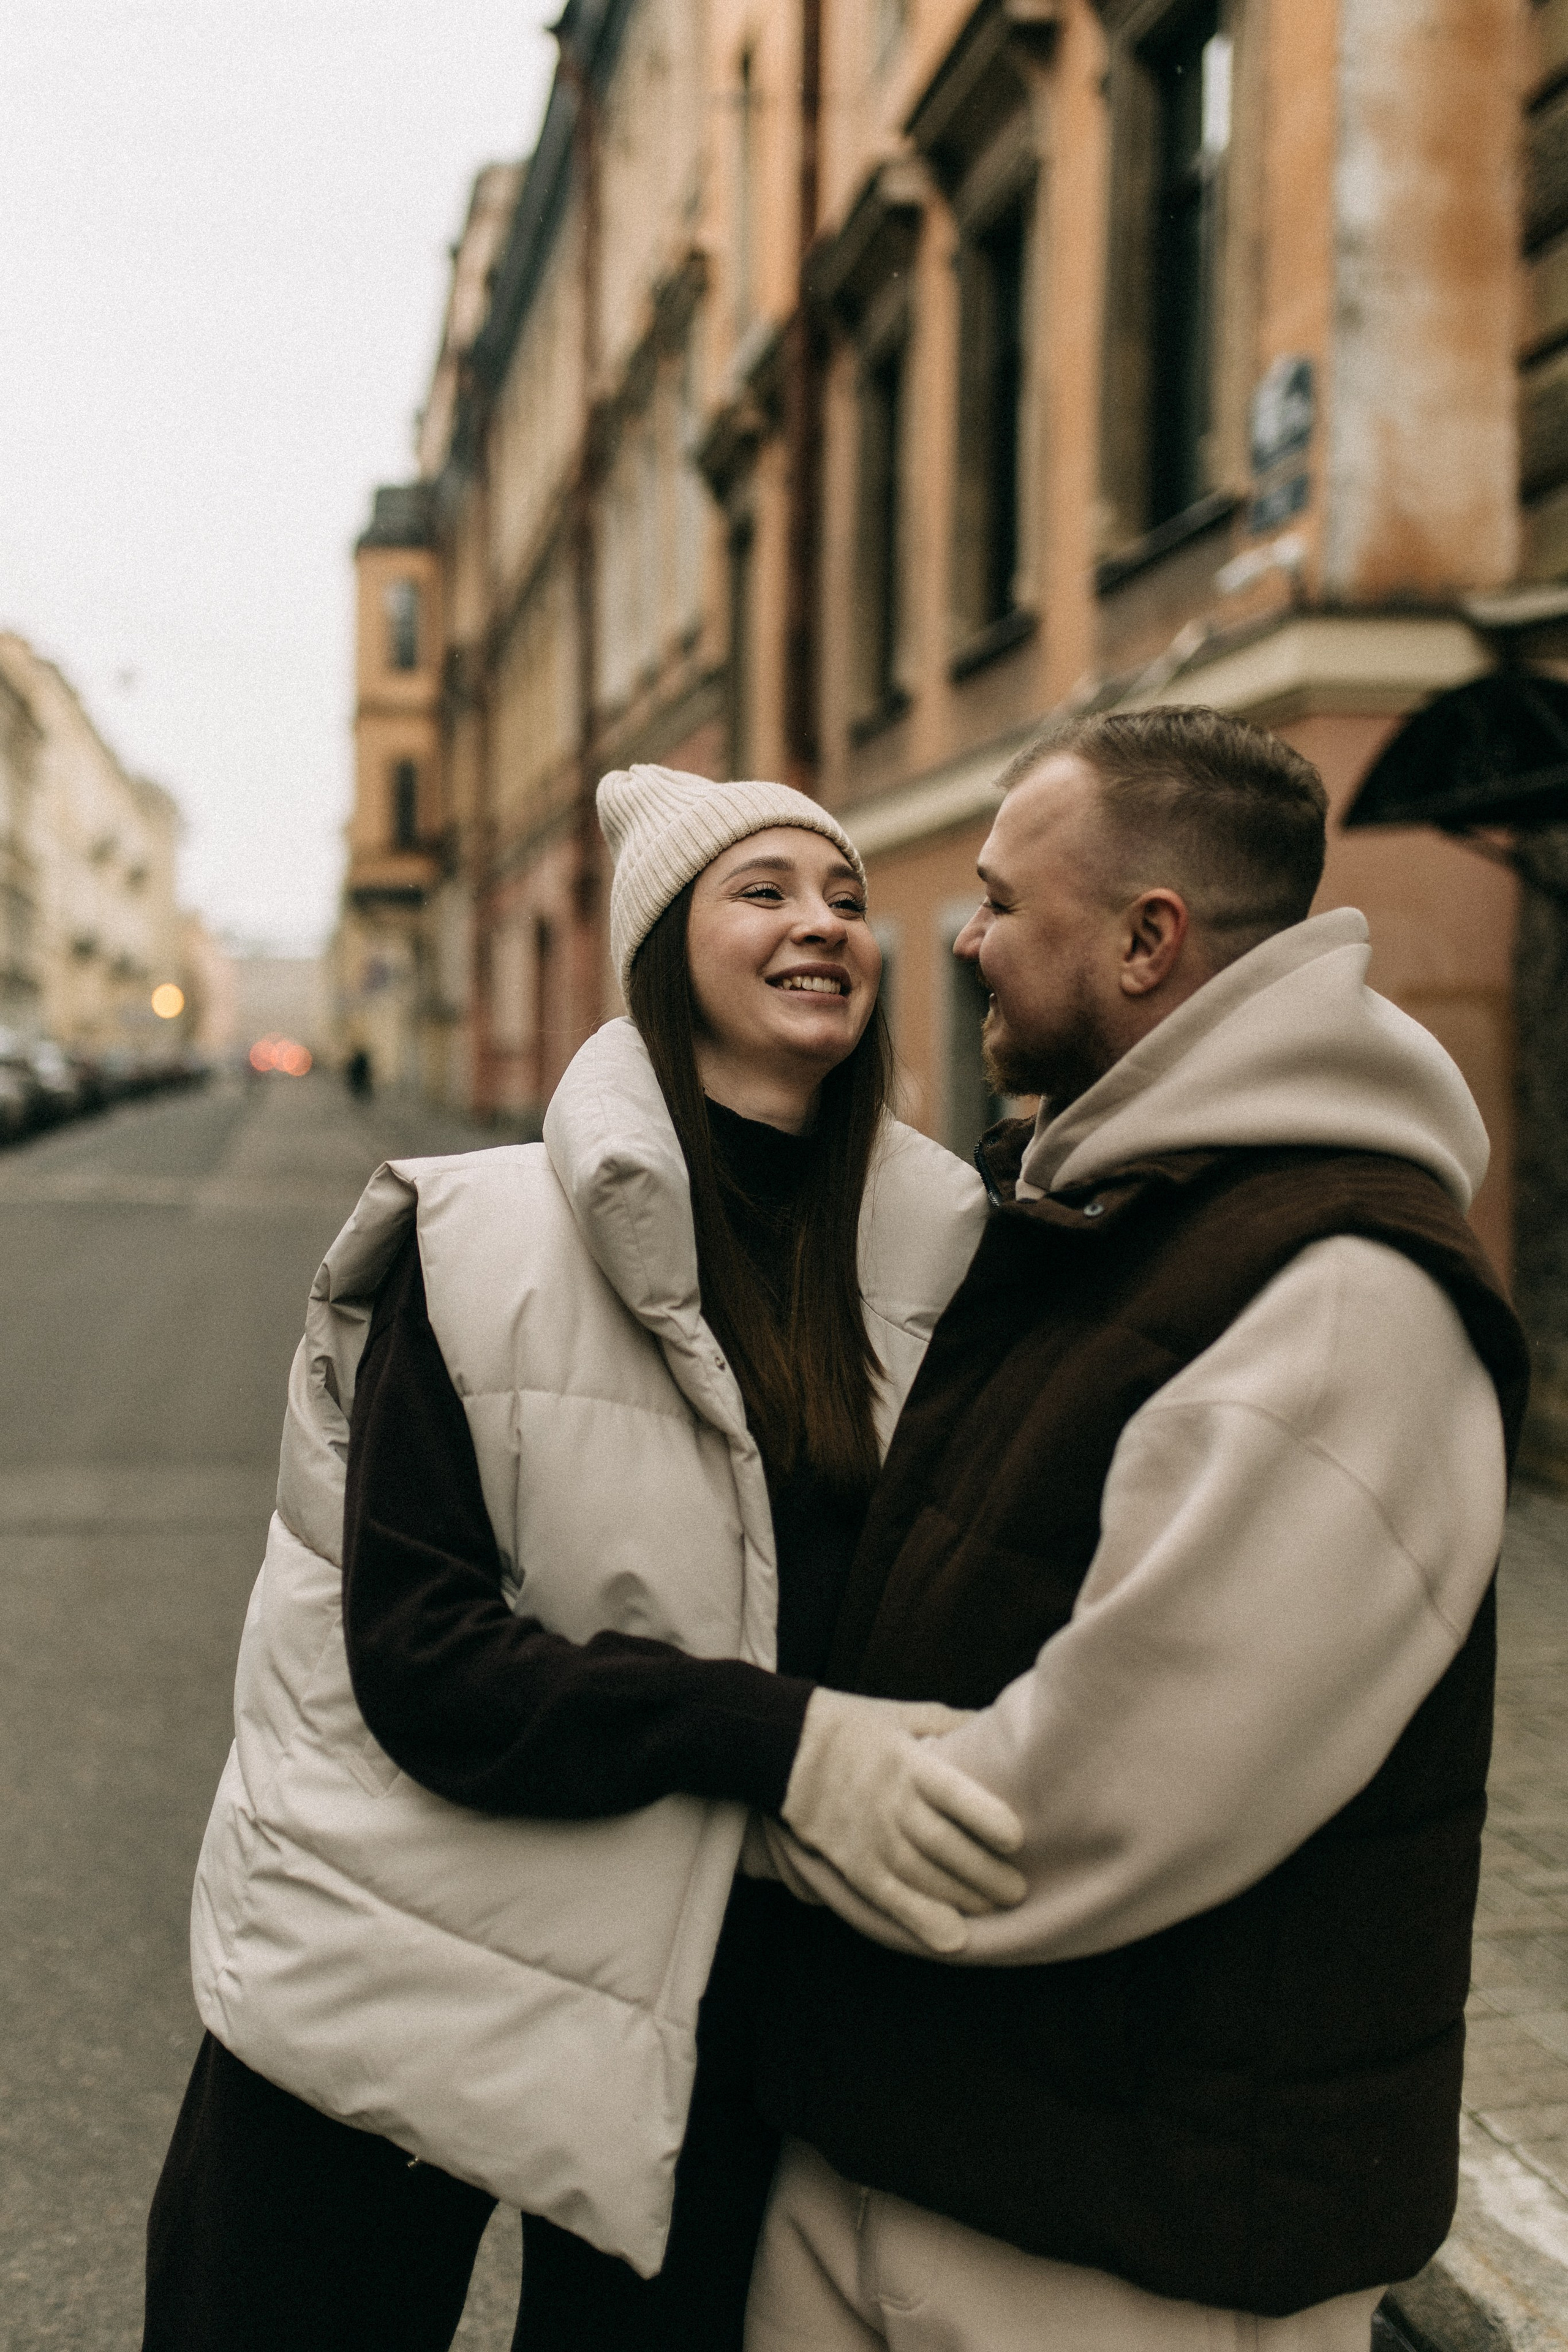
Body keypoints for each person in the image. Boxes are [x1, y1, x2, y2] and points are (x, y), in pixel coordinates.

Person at [141, 763, 1025, 2352]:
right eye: (763, 893)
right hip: (405, 1947)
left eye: (840, 898)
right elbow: (420, 1661)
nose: (821, 922)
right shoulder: (476, 1240)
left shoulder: (935, 1258)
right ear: (665, 949)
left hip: (714, 2000)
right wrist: (785, 1739)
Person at [742, 707, 1530, 2352]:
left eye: (1000, 900)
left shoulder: (1338, 1299)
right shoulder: (1103, 1209)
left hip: (1130, 2246)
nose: (962, 939)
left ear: (1148, 940)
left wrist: (756, 1801)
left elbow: (1092, 1796)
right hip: (923, 2151)